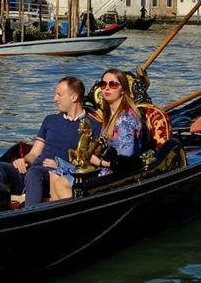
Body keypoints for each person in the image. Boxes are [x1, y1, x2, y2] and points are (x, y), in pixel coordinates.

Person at [0, 76, 99, 207]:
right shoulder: (50, 120)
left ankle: (29, 217)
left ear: (73, 97)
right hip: (33, 171)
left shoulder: (92, 126)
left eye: (59, 95)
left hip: (57, 176)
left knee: (34, 173)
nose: (55, 99)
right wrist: (24, 160)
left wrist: (61, 167)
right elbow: (34, 154)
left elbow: (90, 164)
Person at [48, 68, 145, 200]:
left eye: (113, 84)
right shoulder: (110, 115)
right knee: (55, 173)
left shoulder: (126, 119)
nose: (107, 88)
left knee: (61, 183)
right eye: (103, 85)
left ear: (123, 90)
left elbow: (126, 162)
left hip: (118, 174)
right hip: (106, 167)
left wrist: (99, 162)